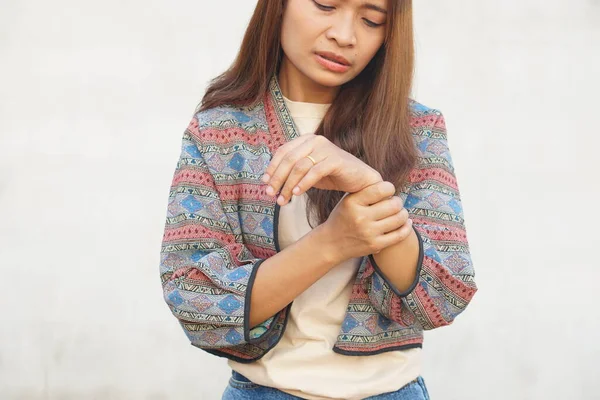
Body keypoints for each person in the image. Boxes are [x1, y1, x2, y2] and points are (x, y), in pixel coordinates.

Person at [159, 0, 478, 399]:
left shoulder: (416, 131)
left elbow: (445, 294)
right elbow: (194, 298)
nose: (345, 36)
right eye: (325, 5)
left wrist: (368, 187)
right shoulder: (219, 131)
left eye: (371, 19)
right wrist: (332, 242)